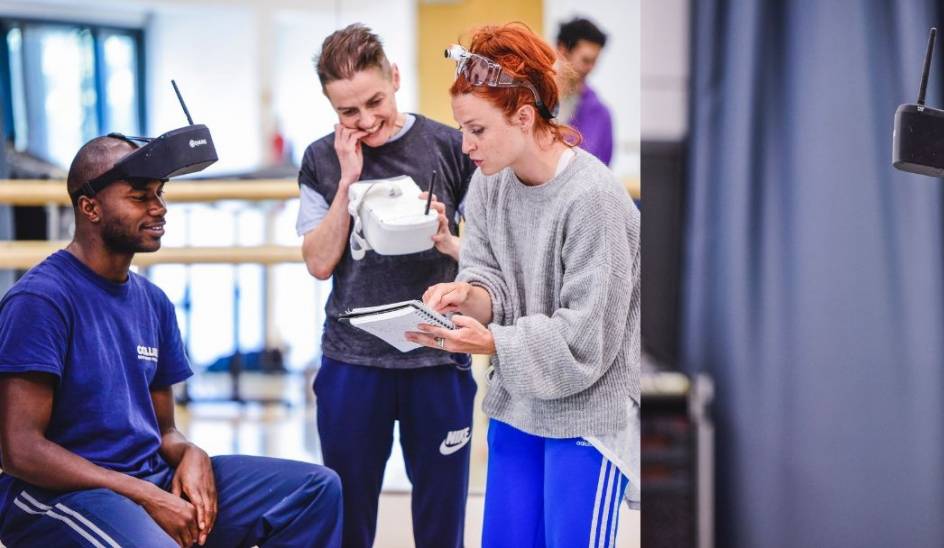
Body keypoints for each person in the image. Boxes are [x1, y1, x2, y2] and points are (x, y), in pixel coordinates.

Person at [0, 135, 342, 547]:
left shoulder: (154, 303)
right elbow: (19, 450)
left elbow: (164, 431)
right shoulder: (41, 300)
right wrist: (145, 495)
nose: (159, 208)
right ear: (90, 207)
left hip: (146, 478)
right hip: (59, 496)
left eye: (159, 194)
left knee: (314, 490)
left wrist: (190, 453)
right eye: (140, 197)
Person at [411, 23, 639, 548]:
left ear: (523, 116)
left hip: (588, 416)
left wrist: (491, 342)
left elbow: (586, 340)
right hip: (520, 404)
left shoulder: (593, 200)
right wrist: (465, 298)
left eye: (477, 130)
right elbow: (489, 276)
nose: (465, 146)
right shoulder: (489, 182)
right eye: (461, 129)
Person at [296, 23, 475, 548]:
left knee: (442, 522)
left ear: (395, 77)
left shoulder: (451, 146)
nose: (367, 120)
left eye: (375, 100)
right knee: (347, 520)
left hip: (437, 356)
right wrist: (347, 181)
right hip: (353, 363)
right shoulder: (321, 159)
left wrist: (446, 237)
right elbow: (319, 262)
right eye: (348, 112)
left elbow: (486, 259)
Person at [555, 17, 613, 166]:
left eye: (594, 62)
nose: (590, 69)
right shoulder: (529, 99)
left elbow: (603, 173)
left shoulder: (600, 116)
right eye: (585, 60)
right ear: (562, 50)